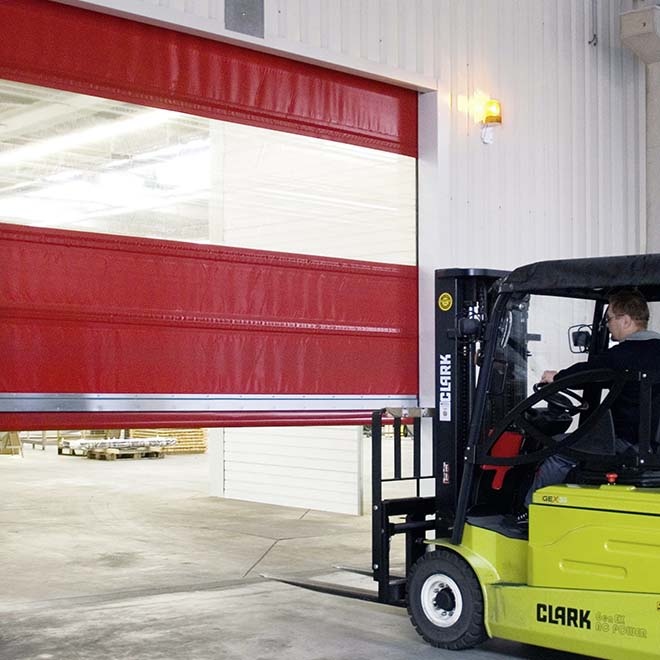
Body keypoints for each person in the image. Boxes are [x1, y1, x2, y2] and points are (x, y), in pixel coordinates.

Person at [522, 289, 660, 512]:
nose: (608, 325)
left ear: (626, 320)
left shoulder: (624, 354)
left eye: (609, 319)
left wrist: (556, 377)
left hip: (626, 443)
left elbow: (585, 373)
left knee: (557, 449)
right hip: (651, 445)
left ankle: (530, 513)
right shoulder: (653, 351)